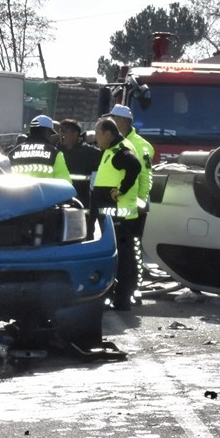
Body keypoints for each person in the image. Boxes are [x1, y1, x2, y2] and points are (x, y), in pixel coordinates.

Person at [90, 117, 142, 311]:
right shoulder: (111, 150)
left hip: (119, 214)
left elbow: (135, 166)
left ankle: (122, 299)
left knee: (123, 259)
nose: (96, 138)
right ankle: (118, 296)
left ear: (108, 134)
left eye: (98, 134)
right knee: (120, 257)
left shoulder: (121, 150)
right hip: (113, 214)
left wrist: (122, 189)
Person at [108, 104, 154, 217]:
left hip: (130, 207)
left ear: (122, 121)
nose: (109, 122)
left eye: (112, 118)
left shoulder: (141, 145)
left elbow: (145, 177)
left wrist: (140, 203)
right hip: (113, 202)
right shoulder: (112, 141)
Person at [6, 115, 70, 180]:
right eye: (50, 134)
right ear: (47, 131)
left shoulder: (12, 153)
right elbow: (65, 182)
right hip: (45, 187)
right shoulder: (55, 153)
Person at [57, 118, 101, 207]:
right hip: (60, 200)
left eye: (64, 131)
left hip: (82, 201)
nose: (61, 135)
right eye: (60, 131)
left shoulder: (91, 153)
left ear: (75, 134)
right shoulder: (56, 151)